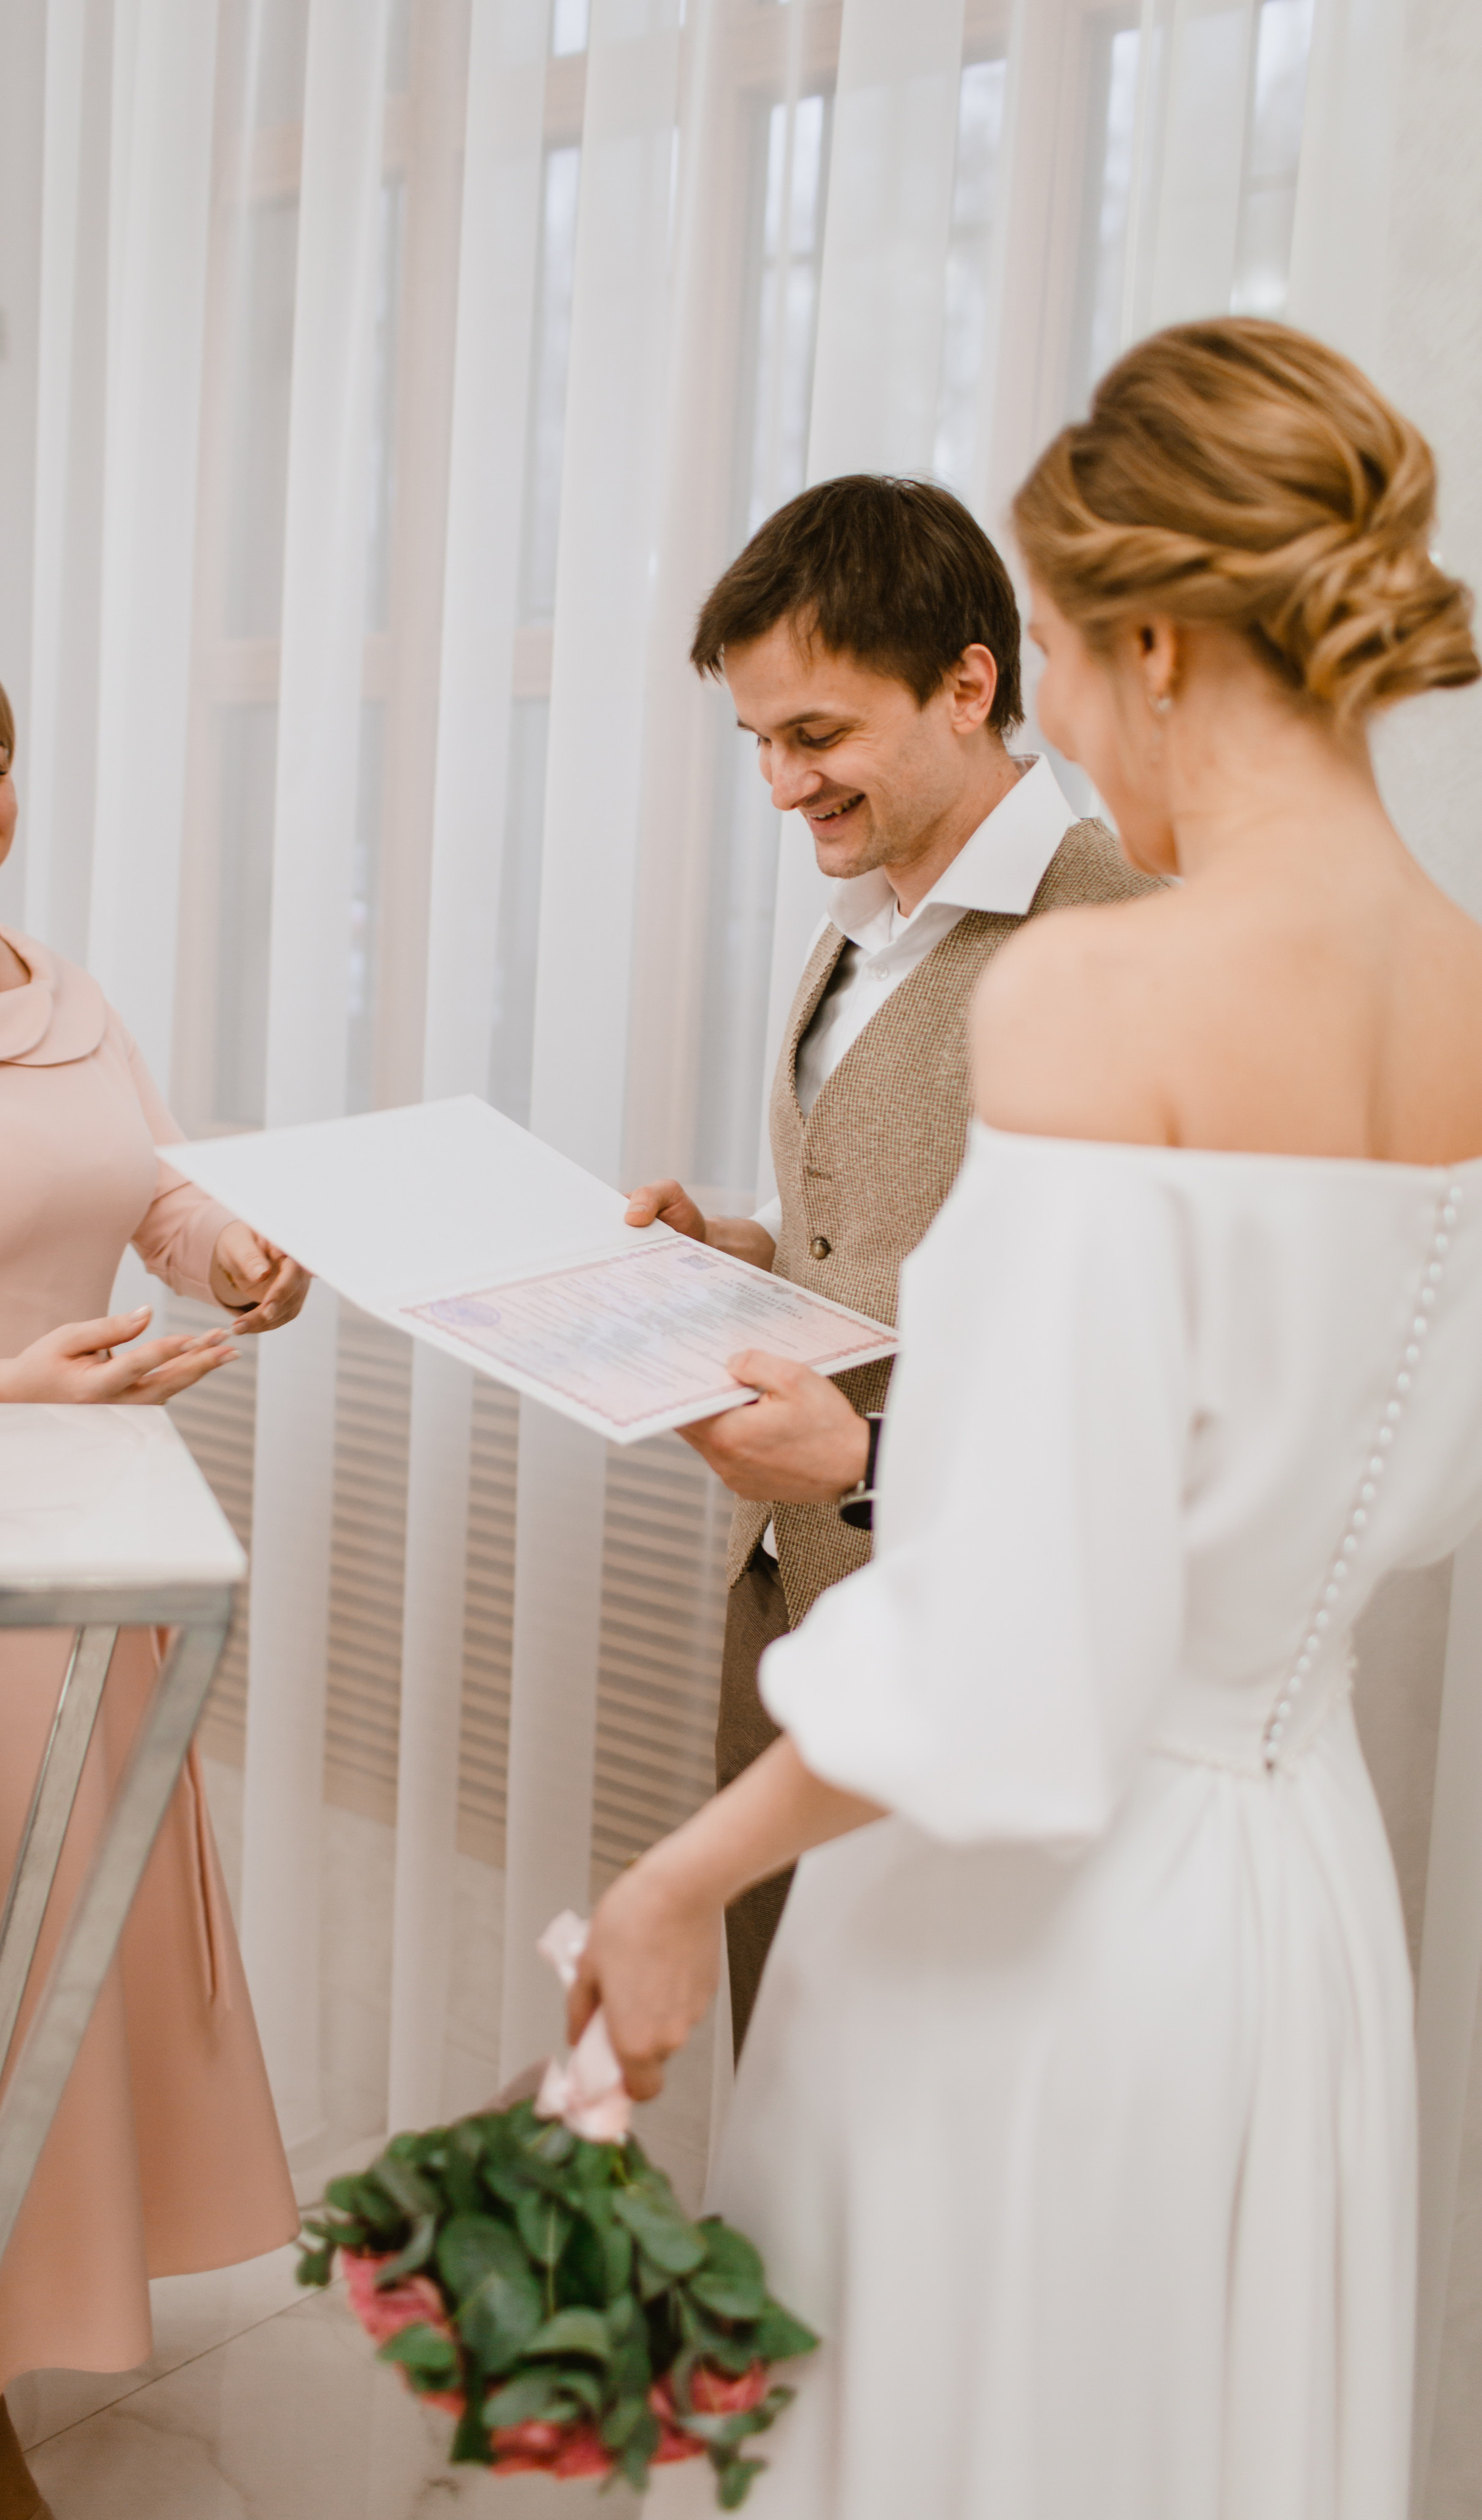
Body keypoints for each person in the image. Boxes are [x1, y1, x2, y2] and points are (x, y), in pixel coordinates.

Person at [571, 319, 1482, 2516]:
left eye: (1062, 659)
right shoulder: (1460, 981)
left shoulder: (1100, 982)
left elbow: (1013, 1654)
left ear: (1147, 642)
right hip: (1294, 1901)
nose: (1066, 717)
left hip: (1027, 1937)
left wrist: (678, 1885)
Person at [0, 614, 310, 2518]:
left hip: (89, 1565)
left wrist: (236, 1254)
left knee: (35, 2002)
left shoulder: (69, 994)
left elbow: (150, 1189)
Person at [625, 477, 1157, 2048]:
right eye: (761, 747)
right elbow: (884, 1228)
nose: (785, 786)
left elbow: (1121, 1354)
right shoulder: (858, 924)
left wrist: (869, 1453)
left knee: (933, 2087)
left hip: (981, 1626)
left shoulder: (1116, 934)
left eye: (817, 736)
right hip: (789, 1593)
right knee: (784, 2082)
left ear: (969, 685)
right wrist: (734, 1247)